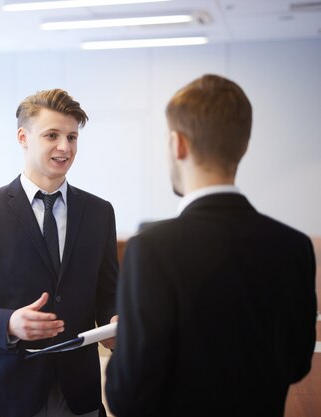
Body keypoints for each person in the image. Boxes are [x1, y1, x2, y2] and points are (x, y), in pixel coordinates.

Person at [105, 74, 317, 416]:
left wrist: (127, 344)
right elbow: (296, 365)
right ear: (243, 145)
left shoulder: (150, 250)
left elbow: (127, 397)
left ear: (178, 144)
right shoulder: (294, 247)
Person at [0, 88, 119, 417]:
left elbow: (108, 291)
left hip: (78, 391)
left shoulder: (99, 212)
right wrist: (9, 322)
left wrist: (115, 321)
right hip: (7, 391)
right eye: (52, 135)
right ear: (23, 137)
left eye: (72, 136)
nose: (64, 147)